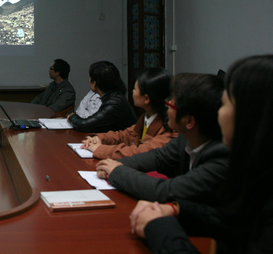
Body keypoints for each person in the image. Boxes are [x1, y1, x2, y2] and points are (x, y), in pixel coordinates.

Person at [130, 55, 273, 254]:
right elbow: (232, 220)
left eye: (223, 104)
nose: (217, 113)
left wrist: (158, 225)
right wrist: (176, 210)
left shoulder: (225, 158)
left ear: (253, 115)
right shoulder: (258, 171)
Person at [96, 73, 229, 206]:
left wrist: (118, 172)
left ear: (189, 121)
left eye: (172, 102)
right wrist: (115, 165)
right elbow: (157, 157)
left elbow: (165, 190)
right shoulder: (185, 138)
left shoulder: (220, 157)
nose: (167, 104)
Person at [81, 67, 177, 159]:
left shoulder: (169, 127)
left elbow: (140, 154)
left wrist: (100, 149)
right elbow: (125, 135)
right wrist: (98, 138)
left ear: (146, 98)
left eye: (135, 89)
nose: (132, 91)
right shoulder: (147, 116)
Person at [67, 61, 136, 132]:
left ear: (94, 83)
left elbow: (85, 125)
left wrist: (72, 117)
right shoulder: (114, 97)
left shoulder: (114, 103)